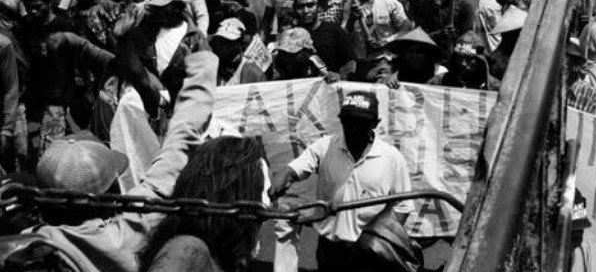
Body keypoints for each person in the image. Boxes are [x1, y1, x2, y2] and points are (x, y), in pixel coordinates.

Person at [26, 47, 217, 272]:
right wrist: (203, 66)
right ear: (110, 196)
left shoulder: (29, 243)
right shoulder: (130, 229)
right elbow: (181, 140)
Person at [271, 91, 412, 270]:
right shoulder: (325, 146)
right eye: (348, 122)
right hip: (331, 249)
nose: (353, 129)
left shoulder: (392, 158)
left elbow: (404, 205)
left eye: (361, 123)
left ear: (375, 124)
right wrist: (286, 175)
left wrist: (382, 234)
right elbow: (297, 167)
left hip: (371, 252)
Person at [137, 137, 270, 271]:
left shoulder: (210, 257)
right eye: (259, 190)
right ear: (235, 194)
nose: (267, 203)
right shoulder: (187, 250)